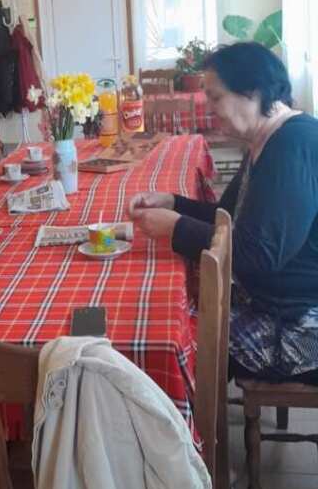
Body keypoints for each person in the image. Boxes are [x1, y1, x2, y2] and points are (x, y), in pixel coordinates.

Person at [129, 41, 318, 383]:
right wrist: (172, 202)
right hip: (271, 301)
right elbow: (225, 215)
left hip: (297, 324)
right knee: (162, 317)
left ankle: (185, 416)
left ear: (252, 92)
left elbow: (257, 255)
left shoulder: (292, 146)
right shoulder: (267, 139)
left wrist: (176, 228)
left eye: (215, 97)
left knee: (169, 341)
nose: (208, 107)